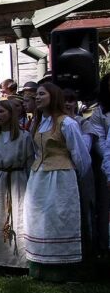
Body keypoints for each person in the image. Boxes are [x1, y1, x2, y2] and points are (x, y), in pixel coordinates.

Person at [24, 83, 89, 281]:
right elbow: (37, 151)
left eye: (42, 94)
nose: (37, 97)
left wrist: (74, 177)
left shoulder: (67, 123)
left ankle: (63, 270)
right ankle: (39, 267)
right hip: (39, 177)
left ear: (53, 97)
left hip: (60, 177)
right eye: (36, 94)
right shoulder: (38, 122)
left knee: (59, 219)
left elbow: (81, 155)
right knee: (39, 220)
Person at [0, 99, 32, 271]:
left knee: (19, 218)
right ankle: (2, 261)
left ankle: (21, 262)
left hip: (17, 180)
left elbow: (30, 161)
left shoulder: (24, 136)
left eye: (2, 112)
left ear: (11, 114)